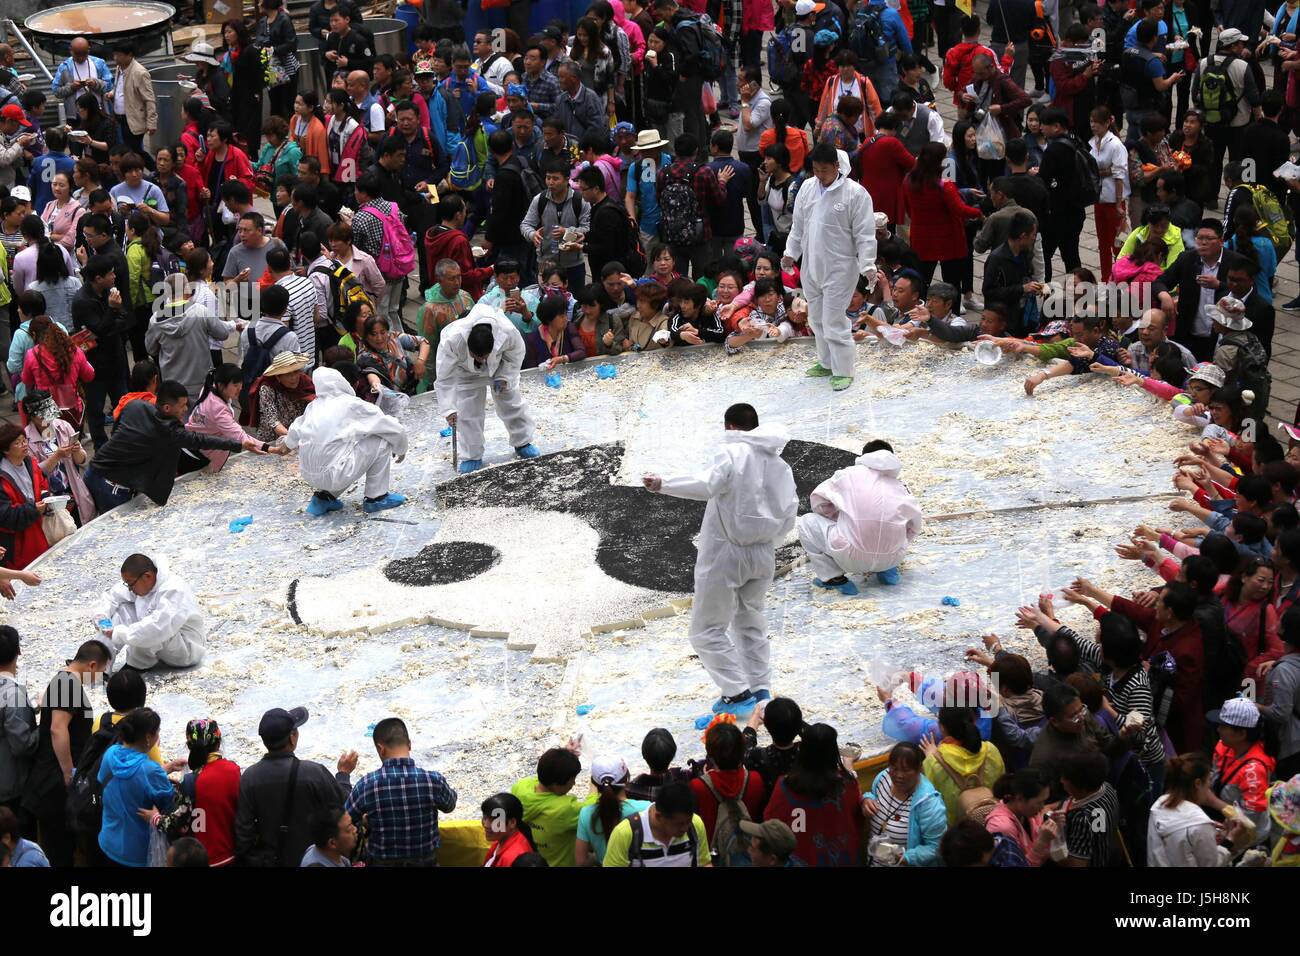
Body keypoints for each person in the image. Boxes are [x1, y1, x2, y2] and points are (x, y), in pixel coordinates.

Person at [643, 403, 797, 716]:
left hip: (728, 551)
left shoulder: (732, 453)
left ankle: (737, 693)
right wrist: (765, 541)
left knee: (705, 630)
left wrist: (664, 484)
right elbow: (790, 512)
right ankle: (759, 687)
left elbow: (707, 484)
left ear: (729, 427)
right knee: (749, 618)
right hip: (764, 552)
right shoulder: (779, 464)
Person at [86, 379, 267, 513]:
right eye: (181, 407)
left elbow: (116, 432)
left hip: (94, 470)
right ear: (166, 408)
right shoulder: (170, 431)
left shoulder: (135, 406)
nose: (185, 410)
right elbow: (201, 440)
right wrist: (239, 444)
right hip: (111, 486)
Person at [784, 142, 878, 392]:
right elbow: (798, 226)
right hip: (811, 264)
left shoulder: (855, 194)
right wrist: (790, 253)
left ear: (837, 166)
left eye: (825, 170)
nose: (820, 175)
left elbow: (865, 234)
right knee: (816, 318)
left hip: (840, 266)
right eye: (815, 170)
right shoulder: (807, 188)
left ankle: (844, 369)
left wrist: (868, 264)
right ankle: (825, 362)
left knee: (834, 319)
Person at [21, 640, 112, 868]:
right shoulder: (67, 684)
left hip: (51, 777)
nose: (99, 680)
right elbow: (57, 729)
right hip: (52, 780)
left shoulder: (64, 681)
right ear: (92, 666)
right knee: (58, 849)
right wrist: (68, 772)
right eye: (101, 673)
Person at [235, 706, 358, 867]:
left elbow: (243, 834)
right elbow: (344, 808)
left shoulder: (249, 778)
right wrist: (343, 775)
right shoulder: (314, 773)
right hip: (312, 861)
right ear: (292, 738)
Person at [797, 439, 924, 595]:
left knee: (806, 522)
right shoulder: (901, 486)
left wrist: (836, 517)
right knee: (892, 525)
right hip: (892, 557)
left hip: (850, 556)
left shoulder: (848, 474)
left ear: (864, 457)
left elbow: (818, 501)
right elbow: (915, 526)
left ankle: (834, 579)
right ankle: (887, 570)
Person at [281, 366, 407, 516]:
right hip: (335, 474)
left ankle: (324, 497)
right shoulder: (350, 403)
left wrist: (285, 445)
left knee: (338, 453)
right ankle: (377, 498)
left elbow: (293, 433)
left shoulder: (312, 407)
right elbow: (390, 427)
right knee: (380, 440)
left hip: (309, 474)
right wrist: (401, 448)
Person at [434, 304, 539, 474]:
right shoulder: (452, 339)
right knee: (467, 412)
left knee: (511, 402)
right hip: (465, 372)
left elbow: (515, 356)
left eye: (485, 356)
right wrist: (448, 408)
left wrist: (505, 376)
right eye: (478, 356)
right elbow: (445, 377)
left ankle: (523, 441)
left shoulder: (507, 332)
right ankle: (471, 455)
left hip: (498, 366)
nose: (482, 361)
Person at [343, 717, 456, 866]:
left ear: (380, 748)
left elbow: (345, 820)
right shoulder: (433, 780)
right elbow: (450, 805)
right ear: (409, 744)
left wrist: (366, 820)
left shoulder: (366, 785)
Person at [763, 722, 866, 867]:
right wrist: (848, 768)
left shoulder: (785, 786)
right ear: (833, 753)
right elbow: (857, 820)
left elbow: (771, 823)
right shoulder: (847, 785)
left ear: (802, 750)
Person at [1153, 219, 1248, 361]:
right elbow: (1160, 282)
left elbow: (1247, 292)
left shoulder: (1235, 263)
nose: (1203, 243)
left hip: (1218, 336)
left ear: (1221, 241)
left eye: (1209, 239)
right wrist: (1164, 296)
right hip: (1188, 333)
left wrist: (1219, 285)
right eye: (1200, 238)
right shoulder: (1187, 259)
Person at [96, 553, 206, 671]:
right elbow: (112, 597)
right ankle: (98, 665)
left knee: (149, 628)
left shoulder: (174, 590)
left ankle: (134, 667)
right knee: (123, 610)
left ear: (147, 576)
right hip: (161, 642)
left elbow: (157, 629)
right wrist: (101, 616)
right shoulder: (141, 581)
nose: (129, 589)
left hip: (185, 649)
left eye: (131, 584)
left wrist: (117, 633)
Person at [1148, 751, 1255, 866]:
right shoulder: (1199, 823)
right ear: (1198, 783)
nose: (1209, 786)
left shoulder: (1158, 805)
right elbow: (1212, 864)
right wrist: (1230, 839)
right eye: (1208, 780)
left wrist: (1210, 830)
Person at [145, 274, 236, 403]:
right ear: (187, 289)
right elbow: (222, 333)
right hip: (200, 382)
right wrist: (232, 325)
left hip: (172, 384)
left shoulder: (155, 320)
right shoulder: (200, 312)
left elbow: (151, 349)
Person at [863, 741, 948, 866]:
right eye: (894, 768)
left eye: (906, 770)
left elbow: (936, 846)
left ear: (919, 768)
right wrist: (867, 799)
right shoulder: (883, 778)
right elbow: (874, 795)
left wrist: (905, 858)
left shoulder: (928, 804)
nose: (899, 775)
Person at [921, 706, 1007, 825]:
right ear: (974, 721)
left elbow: (929, 805)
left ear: (941, 727)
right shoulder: (991, 750)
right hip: (992, 823)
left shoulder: (933, 763)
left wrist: (932, 756)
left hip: (955, 832)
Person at [21, 391, 93, 526]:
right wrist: (57, 456)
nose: (48, 420)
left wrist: (77, 451)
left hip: (74, 491)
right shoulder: (26, 439)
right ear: (32, 416)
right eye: (43, 416)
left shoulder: (63, 426)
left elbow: (81, 460)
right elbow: (34, 473)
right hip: (51, 499)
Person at [603, 780, 712, 866]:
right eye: (679, 824)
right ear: (659, 816)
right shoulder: (625, 834)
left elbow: (704, 862)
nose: (685, 828)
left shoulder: (695, 824)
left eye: (688, 821)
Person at [509, 746, 583, 867]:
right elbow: (592, 809)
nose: (574, 783)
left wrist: (564, 758)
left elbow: (547, 772)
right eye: (572, 780)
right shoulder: (565, 808)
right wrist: (595, 784)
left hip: (533, 861)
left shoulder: (520, 787)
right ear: (556, 785)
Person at [575, 757, 651, 865]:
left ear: (594, 783)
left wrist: (600, 860)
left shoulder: (586, 813)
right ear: (626, 780)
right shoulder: (645, 809)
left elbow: (581, 861)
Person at [0, 424, 51, 571]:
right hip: (18, 544)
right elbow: (5, 516)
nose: (23, 445)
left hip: (40, 532)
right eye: (17, 443)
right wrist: (33, 509)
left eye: (24, 440)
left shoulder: (30, 462)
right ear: (5, 450)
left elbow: (41, 484)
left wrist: (45, 496)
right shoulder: (2, 478)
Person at [0, 627, 37, 818]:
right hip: (8, 788)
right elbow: (22, 746)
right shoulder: (13, 695)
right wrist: (45, 726)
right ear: (19, 651)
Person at [1261, 606, 1300, 780]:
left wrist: (1257, 706)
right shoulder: (1285, 666)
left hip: (1293, 747)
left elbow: (1280, 714)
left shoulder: (1284, 670)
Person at [105, 43, 156, 157]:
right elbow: (119, 87)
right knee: (127, 151)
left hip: (132, 119)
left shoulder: (140, 73)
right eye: (114, 55)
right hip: (119, 118)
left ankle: (154, 170)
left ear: (130, 55)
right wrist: (112, 93)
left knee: (134, 151)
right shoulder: (120, 68)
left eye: (118, 55)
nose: (115, 58)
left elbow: (149, 99)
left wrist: (151, 123)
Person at [52, 36, 114, 118]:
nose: (81, 57)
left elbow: (110, 86)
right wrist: (72, 87)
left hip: (99, 113)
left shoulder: (99, 63)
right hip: (75, 116)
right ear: (70, 50)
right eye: (77, 54)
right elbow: (56, 92)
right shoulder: (64, 67)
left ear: (89, 49)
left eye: (84, 53)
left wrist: (96, 83)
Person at [481, 793, 537, 867]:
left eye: (494, 821)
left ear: (512, 822)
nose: (486, 825)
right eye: (485, 818)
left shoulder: (512, 858)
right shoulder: (502, 838)